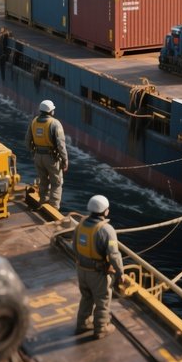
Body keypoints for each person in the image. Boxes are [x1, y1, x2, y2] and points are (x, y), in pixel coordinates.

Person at [73, 194, 128, 339]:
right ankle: (101, 329)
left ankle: (82, 323)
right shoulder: (107, 230)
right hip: (97, 273)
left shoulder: (80, 225)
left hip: (81, 270)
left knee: (86, 297)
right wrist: (120, 273)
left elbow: (74, 246)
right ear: (106, 211)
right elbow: (114, 254)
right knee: (102, 300)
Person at [26, 99, 68, 209]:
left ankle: (43, 204)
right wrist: (65, 160)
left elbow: (27, 141)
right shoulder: (55, 123)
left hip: (38, 157)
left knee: (43, 182)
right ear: (51, 111)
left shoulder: (34, 121)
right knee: (56, 183)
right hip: (51, 158)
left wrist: (34, 152)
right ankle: (53, 208)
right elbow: (61, 145)